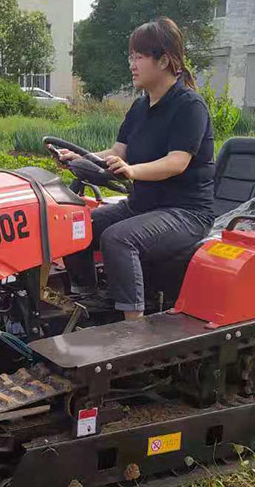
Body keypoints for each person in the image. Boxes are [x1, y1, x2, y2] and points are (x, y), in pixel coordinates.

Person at [55, 17, 215, 320]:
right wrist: (78, 157)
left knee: (118, 238)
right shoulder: (141, 107)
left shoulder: (190, 107)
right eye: (131, 56)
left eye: (138, 57)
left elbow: (176, 162)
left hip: (186, 212)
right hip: (142, 205)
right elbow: (117, 152)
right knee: (74, 224)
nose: (132, 64)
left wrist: (132, 170)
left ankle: (133, 327)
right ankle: (87, 297)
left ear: (164, 60)